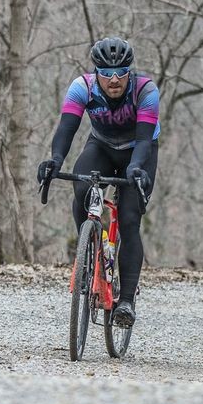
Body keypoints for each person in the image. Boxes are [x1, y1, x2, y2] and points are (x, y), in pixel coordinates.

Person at [38, 37, 160, 327]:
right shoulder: (82, 87)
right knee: (81, 188)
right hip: (102, 147)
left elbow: (144, 140)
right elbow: (67, 129)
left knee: (130, 219)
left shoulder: (145, 90)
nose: (114, 79)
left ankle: (127, 301)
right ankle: (88, 250)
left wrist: (135, 168)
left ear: (130, 71)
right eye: (106, 73)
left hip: (138, 153)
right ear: (96, 73)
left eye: (121, 72)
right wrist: (55, 160)